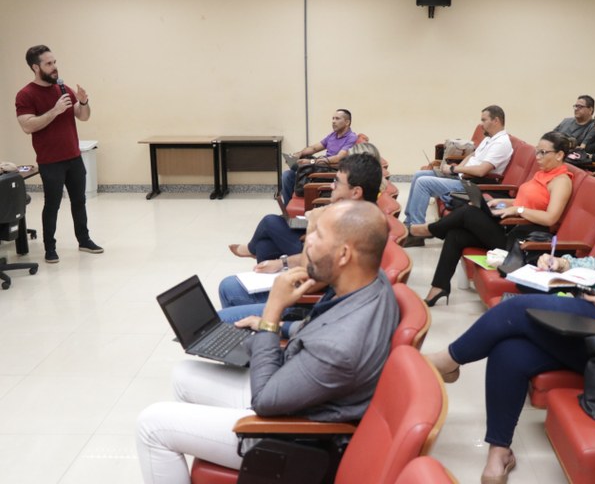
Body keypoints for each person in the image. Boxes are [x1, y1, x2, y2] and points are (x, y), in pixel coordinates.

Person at [426, 173, 595, 484]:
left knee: (516, 308)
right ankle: (499, 449)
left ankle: (450, 360)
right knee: (510, 351)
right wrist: (565, 265)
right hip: (589, 321)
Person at [136, 200, 398, 484]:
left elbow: (263, 401)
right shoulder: (371, 281)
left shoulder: (339, 345)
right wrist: (274, 327)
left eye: (317, 235)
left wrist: (272, 314)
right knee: (183, 374)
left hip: (289, 438)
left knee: (152, 425)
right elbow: (316, 327)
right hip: (298, 389)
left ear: (344, 254)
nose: (305, 240)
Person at [409, 132, 575, 306]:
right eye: (537, 152)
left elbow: (550, 218)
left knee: (468, 212)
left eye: (543, 153)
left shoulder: (561, 181)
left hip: (524, 242)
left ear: (559, 155)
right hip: (511, 229)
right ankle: (439, 287)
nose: (538, 157)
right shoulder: (542, 174)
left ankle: (425, 230)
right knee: (456, 234)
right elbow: (526, 201)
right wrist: (502, 202)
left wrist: (518, 209)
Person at [218, 152, 383, 318]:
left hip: (310, 308)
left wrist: (313, 225)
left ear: (356, 192)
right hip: (315, 294)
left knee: (226, 293)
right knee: (264, 247)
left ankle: (246, 332)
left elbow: (309, 280)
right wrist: (282, 262)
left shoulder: (353, 228)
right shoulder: (359, 214)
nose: (332, 186)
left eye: (337, 182)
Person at [15, 45, 102, 264]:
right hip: (50, 161)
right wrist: (54, 111)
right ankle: (50, 248)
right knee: (52, 205)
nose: (54, 68)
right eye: (48, 64)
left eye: (54, 62)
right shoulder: (25, 94)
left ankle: (84, 240)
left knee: (79, 201)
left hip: (73, 156)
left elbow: (83, 116)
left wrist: (83, 102)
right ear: (36, 67)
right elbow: (27, 126)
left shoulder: (63, 88)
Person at [402, 105, 513, 245]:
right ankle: (408, 223)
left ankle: (416, 232)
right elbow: (473, 155)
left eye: (484, 120)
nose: (481, 124)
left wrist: (455, 170)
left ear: (496, 120)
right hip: (463, 176)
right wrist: (457, 168)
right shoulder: (489, 138)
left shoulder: (502, 143)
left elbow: (481, 171)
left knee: (423, 183)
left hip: (474, 184)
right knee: (419, 175)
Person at [280, 109, 357, 204]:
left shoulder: (351, 138)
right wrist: (299, 153)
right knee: (287, 175)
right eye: (333, 118)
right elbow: (314, 148)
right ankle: (288, 212)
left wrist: (311, 162)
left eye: (337, 119)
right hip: (321, 166)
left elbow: (338, 158)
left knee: (297, 167)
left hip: (332, 171)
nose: (333, 121)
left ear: (347, 122)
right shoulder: (333, 135)